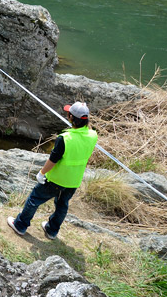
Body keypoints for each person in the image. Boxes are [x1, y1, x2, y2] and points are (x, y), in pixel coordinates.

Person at [7, 101, 98, 240]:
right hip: (74, 180)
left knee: (34, 199)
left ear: (71, 117)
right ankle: (52, 230)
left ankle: (20, 225)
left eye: (69, 114)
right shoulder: (93, 135)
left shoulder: (65, 138)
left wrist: (41, 173)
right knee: (62, 205)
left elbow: (53, 160)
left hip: (56, 179)